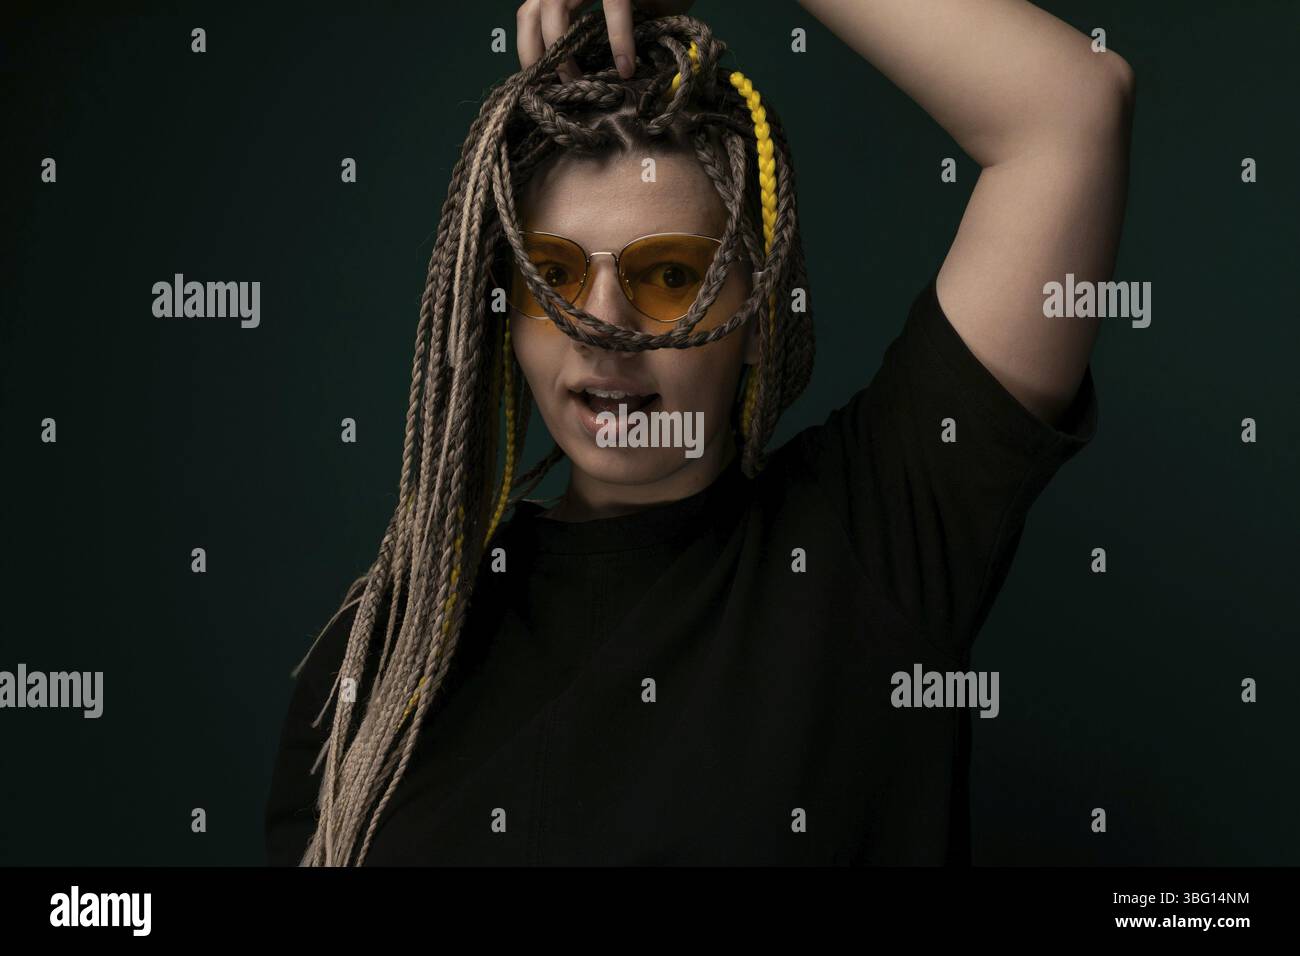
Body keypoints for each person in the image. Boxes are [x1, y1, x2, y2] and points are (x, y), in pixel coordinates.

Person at [265, 0, 1133, 866]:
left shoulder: (875, 536)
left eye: (672, 274)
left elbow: (1069, 111)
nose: (601, 324)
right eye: (554, 275)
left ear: (758, 313)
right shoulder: (385, 652)